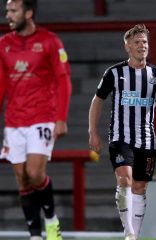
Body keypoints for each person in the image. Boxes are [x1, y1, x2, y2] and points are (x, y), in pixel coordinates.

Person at [88, 24, 156, 240]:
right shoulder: (115, 73)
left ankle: (134, 234)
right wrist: (93, 131)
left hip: (146, 140)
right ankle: (129, 233)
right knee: (124, 180)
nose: (141, 46)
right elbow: (97, 100)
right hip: (120, 136)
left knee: (140, 186)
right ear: (127, 46)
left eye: (144, 42)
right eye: (137, 42)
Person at [0, 0, 71, 239]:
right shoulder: (4, 44)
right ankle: (35, 235)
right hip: (14, 121)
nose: (7, 14)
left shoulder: (50, 42)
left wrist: (61, 118)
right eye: (7, 10)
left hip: (42, 117)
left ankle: (51, 219)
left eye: (13, 10)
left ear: (28, 13)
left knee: (35, 174)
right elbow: (1, 84)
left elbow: (63, 80)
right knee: (22, 179)